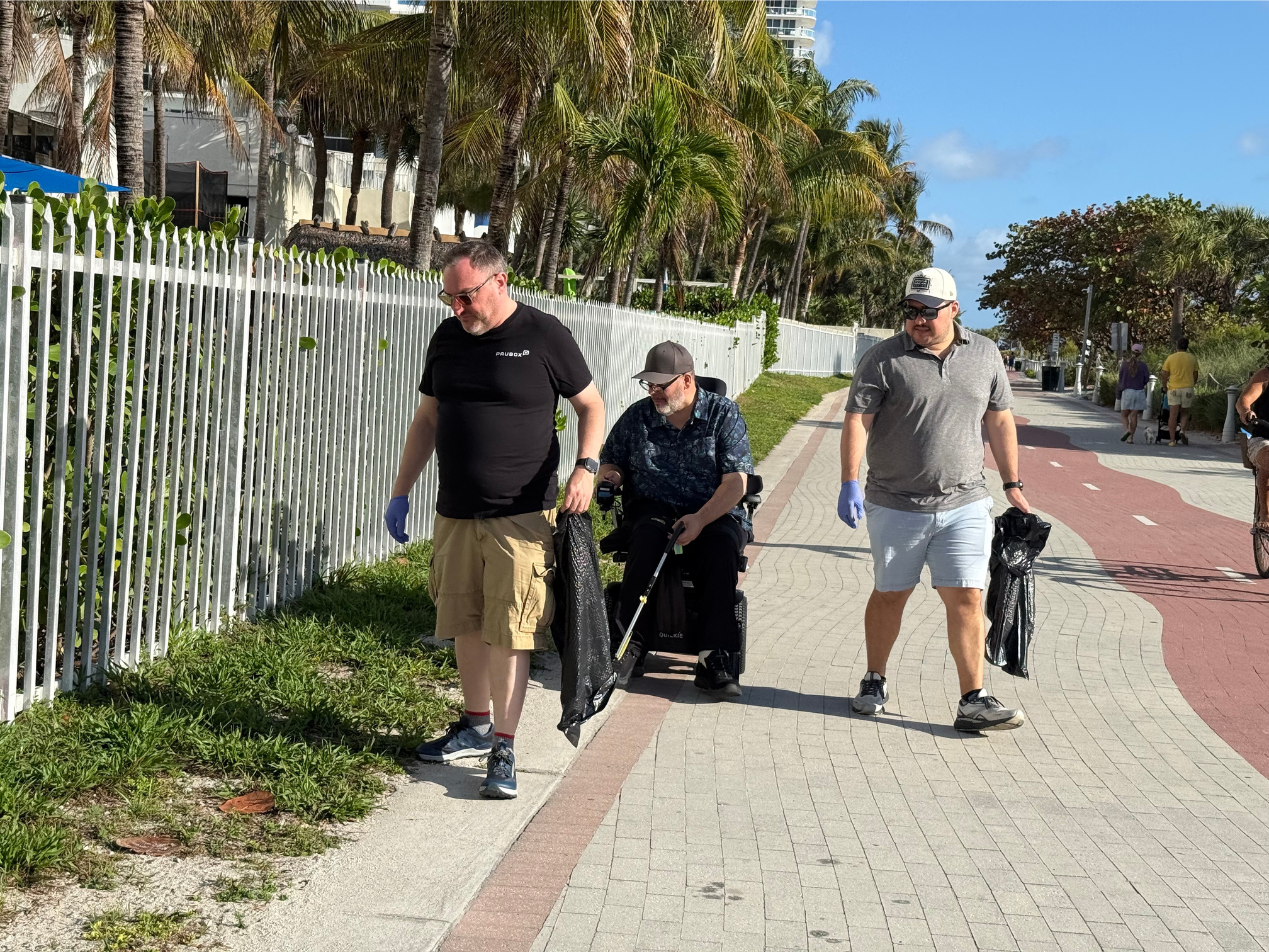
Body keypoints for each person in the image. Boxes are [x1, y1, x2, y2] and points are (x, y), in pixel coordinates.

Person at [384, 240, 605, 800]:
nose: (457, 309)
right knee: (464, 620)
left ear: (499, 283)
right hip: (456, 511)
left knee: (511, 630)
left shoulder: (543, 334)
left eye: (465, 297)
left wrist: (586, 468)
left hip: (521, 516)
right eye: (448, 298)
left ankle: (504, 744)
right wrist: (401, 491)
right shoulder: (446, 338)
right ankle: (476, 722)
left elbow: (591, 406)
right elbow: (427, 421)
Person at [837, 267, 1032, 733]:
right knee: (890, 594)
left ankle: (973, 699)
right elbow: (857, 421)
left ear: (954, 309)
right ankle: (874, 679)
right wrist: (848, 480)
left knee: (966, 596)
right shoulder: (883, 358)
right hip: (895, 502)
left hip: (965, 502)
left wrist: (1012, 483)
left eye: (928, 311)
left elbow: (1000, 421)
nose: (918, 320)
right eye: (910, 311)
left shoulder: (985, 353)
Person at [598, 342, 754, 699]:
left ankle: (713, 657)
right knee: (648, 538)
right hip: (653, 506)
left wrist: (699, 519)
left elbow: (736, 482)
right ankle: (627, 646)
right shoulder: (638, 416)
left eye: (660, 385)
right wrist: (611, 478)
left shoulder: (723, 415)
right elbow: (611, 460)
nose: (653, 392)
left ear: (686, 379)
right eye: (648, 385)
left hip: (712, 509)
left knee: (720, 548)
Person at [1236, 363, 1269, 525]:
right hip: (1264, 437)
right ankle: (1265, 514)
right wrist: (1246, 411)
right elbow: (1244, 400)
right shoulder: (1265, 376)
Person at [1159, 337, 1199, 446]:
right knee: (1185, 412)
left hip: (1173, 388)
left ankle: (1172, 440)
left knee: (1173, 414)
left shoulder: (1171, 358)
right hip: (1187, 388)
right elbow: (1195, 374)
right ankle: (1182, 431)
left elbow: (1165, 374)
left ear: (1177, 346)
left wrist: (1164, 386)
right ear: (1187, 346)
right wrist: (1193, 383)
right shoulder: (1192, 358)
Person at [1117, 344, 1149, 443]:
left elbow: (1120, 378)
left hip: (1127, 392)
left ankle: (1127, 430)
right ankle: (1131, 438)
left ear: (1131, 351)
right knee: (1133, 416)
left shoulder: (1125, 364)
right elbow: (1147, 379)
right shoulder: (1143, 365)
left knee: (1124, 415)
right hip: (1139, 392)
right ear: (1140, 353)